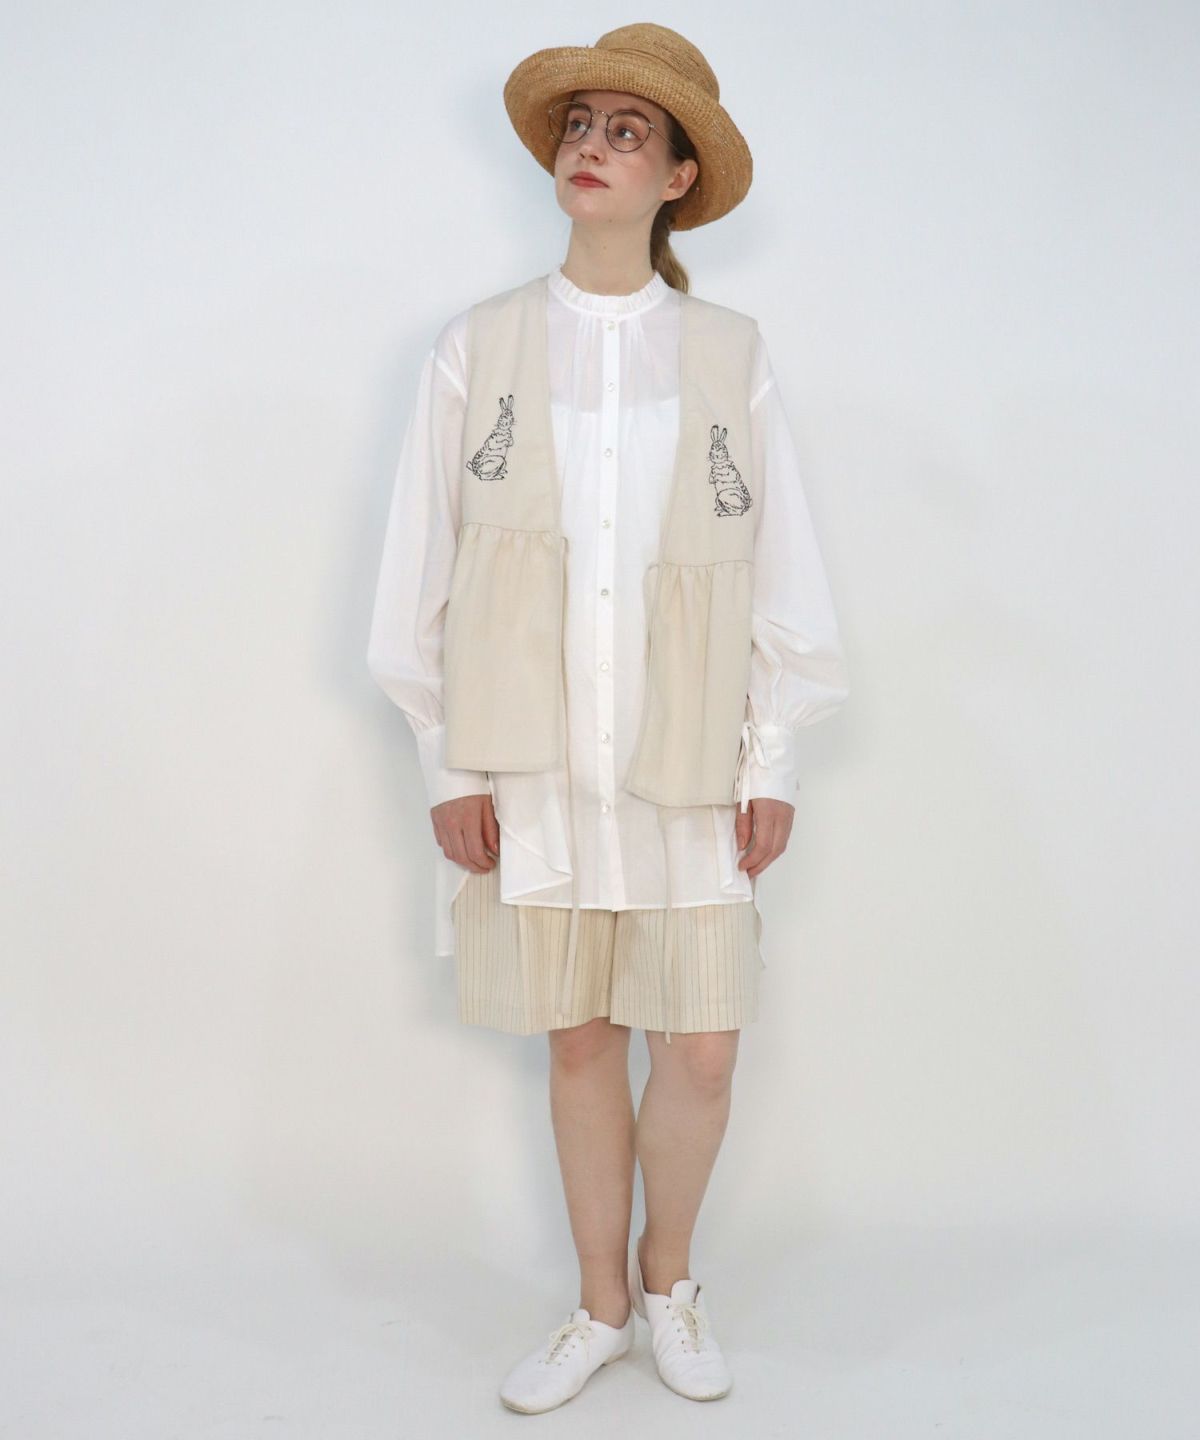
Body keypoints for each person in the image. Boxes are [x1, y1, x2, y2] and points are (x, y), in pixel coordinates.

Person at [367, 22, 849, 1415]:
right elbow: (419, 570)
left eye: (628, 131)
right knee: (579, 1035)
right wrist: (445, 763)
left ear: (679, 177)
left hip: (686, 760)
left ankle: (668, 1282)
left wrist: (774, 753)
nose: (591, 146)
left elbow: (782, 570)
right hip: (532, 761)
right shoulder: (479, 347)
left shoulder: (729, 355)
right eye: (579, 126)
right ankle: (596, 1307)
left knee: (700, 1044)